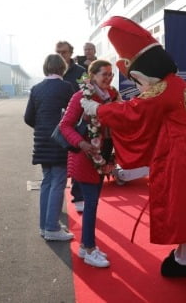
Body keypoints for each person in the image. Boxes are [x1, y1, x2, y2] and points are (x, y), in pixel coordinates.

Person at [80, 16, 186, 277]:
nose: (138, 87)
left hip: (185, 158)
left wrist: (98, 108)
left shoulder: (162, 88)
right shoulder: (178, 83)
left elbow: (133, 112)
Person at [60, 60, 118, 268]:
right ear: (92, 75)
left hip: (103, 155)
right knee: (91, 204)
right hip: (85, 158)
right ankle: (89, 248)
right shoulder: (80, 97)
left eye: (111, 74)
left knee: (93, 204)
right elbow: (65, 126)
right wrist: (82, 143)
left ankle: (86, 246)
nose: (109, 78)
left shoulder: (112, 96)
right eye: (105, 74)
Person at [24, 54, 75, 242]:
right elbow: (74, 114)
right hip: (59, 140)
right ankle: (52, 227)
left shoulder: (36, 89)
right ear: (62, 68)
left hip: (41, 141)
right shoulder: (66, 88)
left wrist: (42, 127)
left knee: (47, 182)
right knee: (58, 182)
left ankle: (45, 225)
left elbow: (28, 117)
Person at [55, 40, 86, 213]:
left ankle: (78, 195)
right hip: (58, 125)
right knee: (59, 163)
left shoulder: (80, 72)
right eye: (58, 52)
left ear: (71, 53)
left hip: (77, 122)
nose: (61, 55)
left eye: (64, 52)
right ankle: (56, 202)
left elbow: (89, 91)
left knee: (77, 159)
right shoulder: (53, 72)